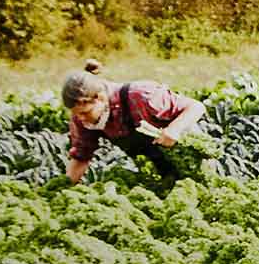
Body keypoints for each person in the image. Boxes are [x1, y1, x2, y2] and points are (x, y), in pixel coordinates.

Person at [62, 64, 214, 185]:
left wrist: (174, 130)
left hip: (194, 160)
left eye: (85, 112)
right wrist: (62, 188)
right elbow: (81, 157)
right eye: (76, 114)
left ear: (100, 98)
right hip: (158, 170)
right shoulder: (83, 120)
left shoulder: (140, 95)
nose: (80, 118)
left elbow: (195, 107)